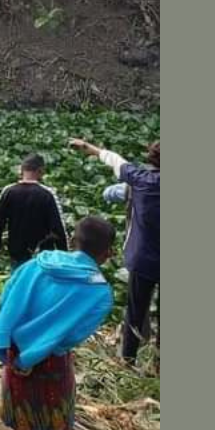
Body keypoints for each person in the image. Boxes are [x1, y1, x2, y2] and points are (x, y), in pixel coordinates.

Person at [0, 216, 116, 430]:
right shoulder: (100, 292)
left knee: (13, 417)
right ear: (108, 253)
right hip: (52, 364)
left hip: (13, 355)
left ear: (72, 240)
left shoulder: (35, 265)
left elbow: (5, 302)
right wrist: (42, 347)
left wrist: (11, 345)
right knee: (52, 421)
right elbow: (71, 338)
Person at [71, 138, 160, 365]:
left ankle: (128, 360)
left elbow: (115, 161)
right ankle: (159, 361)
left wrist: (90, 148)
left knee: (135, 311)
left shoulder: (142, 180)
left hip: (143, 259)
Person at [0, 153, 68, 268]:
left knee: (19, 282)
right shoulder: (47, 194)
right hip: (42, 255)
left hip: (17, 252)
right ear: (41, 171)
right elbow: (58, 228)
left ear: (21, 170)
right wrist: (64, 254)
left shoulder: (8, 191)